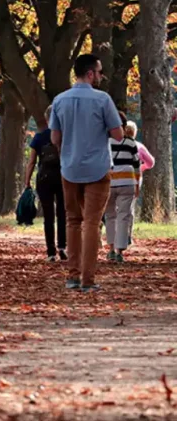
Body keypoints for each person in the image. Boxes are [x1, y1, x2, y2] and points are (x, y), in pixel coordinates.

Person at [50, 54, 124, 292]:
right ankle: (88, 280)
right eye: (100, 72)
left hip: (69, 168)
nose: (102, 76)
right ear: (90, 73)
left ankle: (72, 276)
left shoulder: (60, 100)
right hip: (98, 168)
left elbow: (55, 138)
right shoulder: (103, 100)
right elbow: (118, 134)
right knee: (92, 223)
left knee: (73, 221)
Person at [25, 105, 67, 262]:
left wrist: (27, 181)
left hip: (44, 178)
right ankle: (62, 246)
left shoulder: (39, 137)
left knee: (48, 216)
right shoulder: (64, 136)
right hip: (63, 177)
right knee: (62, 213)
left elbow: (31, 162)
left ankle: (51, 252)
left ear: (47, 118)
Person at [105, 119, 141, 263]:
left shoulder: (106, 142)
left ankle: (111, 249)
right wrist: (137, 185)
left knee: (110, 216)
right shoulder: (131, 143)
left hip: (109, 183)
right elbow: (137, 166)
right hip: (127, 182)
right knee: (124, 216)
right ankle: (120, 251)